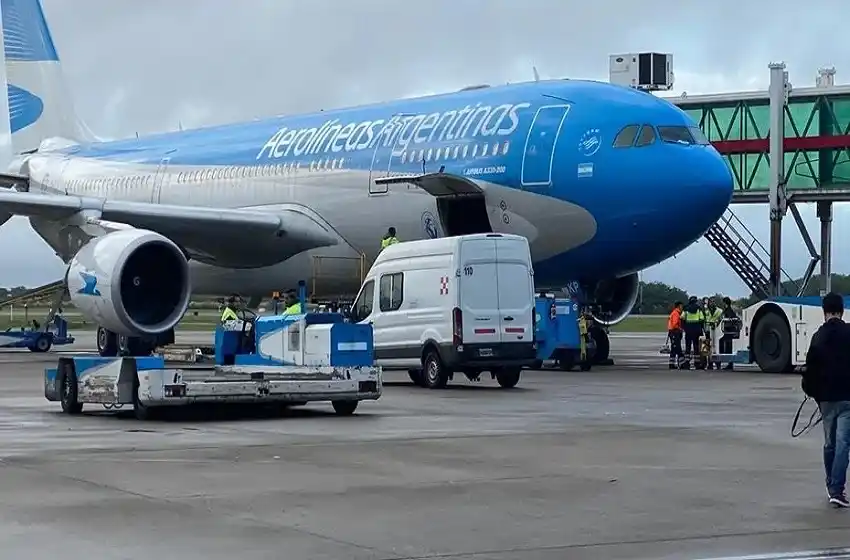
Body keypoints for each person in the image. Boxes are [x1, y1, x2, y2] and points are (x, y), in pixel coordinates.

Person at [802, 292, 850, 507]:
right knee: (843, 444)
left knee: (830, 443)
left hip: (826, 400)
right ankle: (837, 489)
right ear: (841, 310)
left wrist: (813, 393)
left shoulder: (817, 336)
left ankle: (832, 485)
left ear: (824, 312)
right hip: (847, 396)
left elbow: (810, 368)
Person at [680, 296, 705, 370]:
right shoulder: (698, 308)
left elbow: (682, 318)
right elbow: (702, 318)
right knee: (696, 347)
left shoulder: (686, 308)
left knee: (688, 347)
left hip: (688, 330)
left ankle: (687, 363)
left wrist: (684, 327)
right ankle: (697, 363)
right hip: (697, 330)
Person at [703, 298, 723, 370]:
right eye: (711, 302)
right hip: (707, 331)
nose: (712, 303)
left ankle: (718, 364)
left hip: (716, 331)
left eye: (713, 302)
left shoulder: (719, 311)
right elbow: (703, 320)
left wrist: (717, 323)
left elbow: (721, 319)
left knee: (716, 348)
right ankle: (709, 364)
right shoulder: (705, 310)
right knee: (707, 348)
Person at [719, 297, 738, 370]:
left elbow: (730, 319)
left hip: (729, 331)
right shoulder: (729, 310)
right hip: (729, 331)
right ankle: (729, 363)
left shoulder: (728, 310)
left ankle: (726, 360)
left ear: (725, 303)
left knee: (726, 345)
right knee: (728, 346)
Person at [667, 301, 684, 369]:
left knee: (674, 349)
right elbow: (674, 324)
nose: (682, 307)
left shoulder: (675, 313)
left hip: (673, 332)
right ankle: (681, 363)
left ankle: (672, 364)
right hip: (675, 332)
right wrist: (680, 329)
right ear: (679, 306)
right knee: (677, 348)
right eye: (681, 306)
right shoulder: (676, 314)